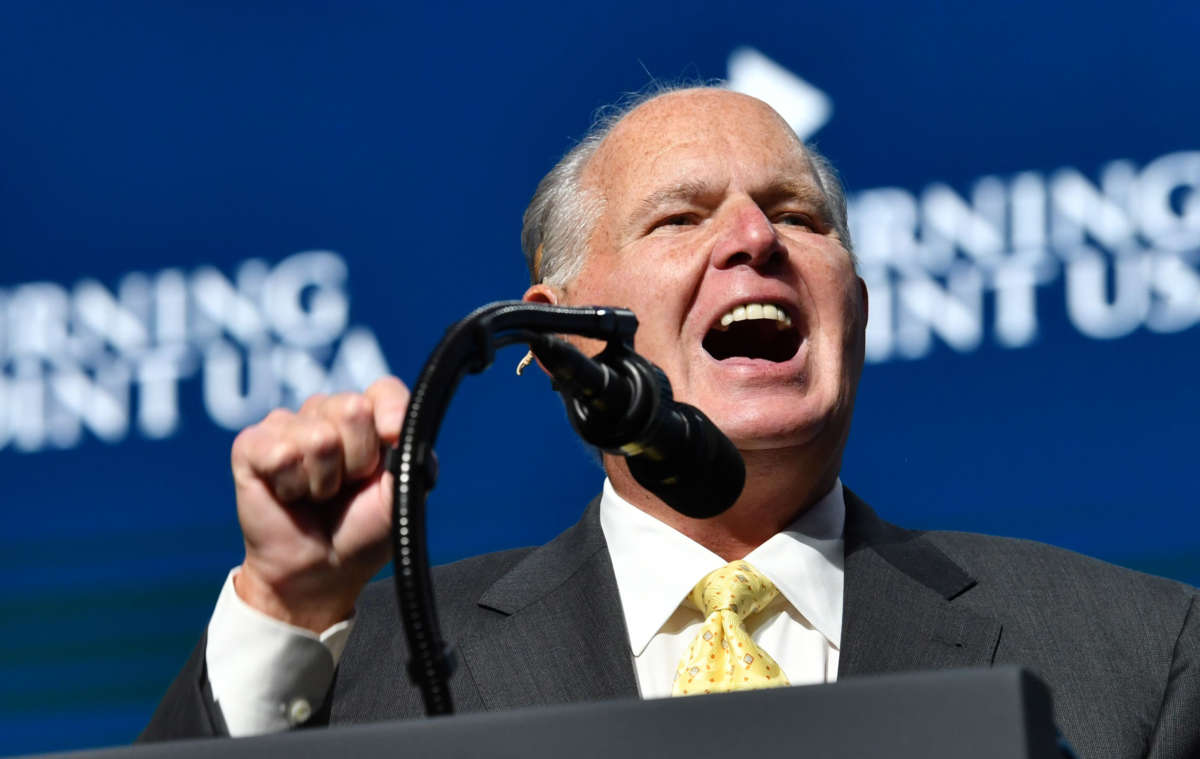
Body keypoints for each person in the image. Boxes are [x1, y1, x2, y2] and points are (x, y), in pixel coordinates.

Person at [143, 87, 1200, 757]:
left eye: (798, 215)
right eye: (682, 217)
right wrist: (290, 602)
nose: (754, 238)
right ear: (560, 340)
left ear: (858, 309)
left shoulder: (1138, 653)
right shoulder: (377, 668)